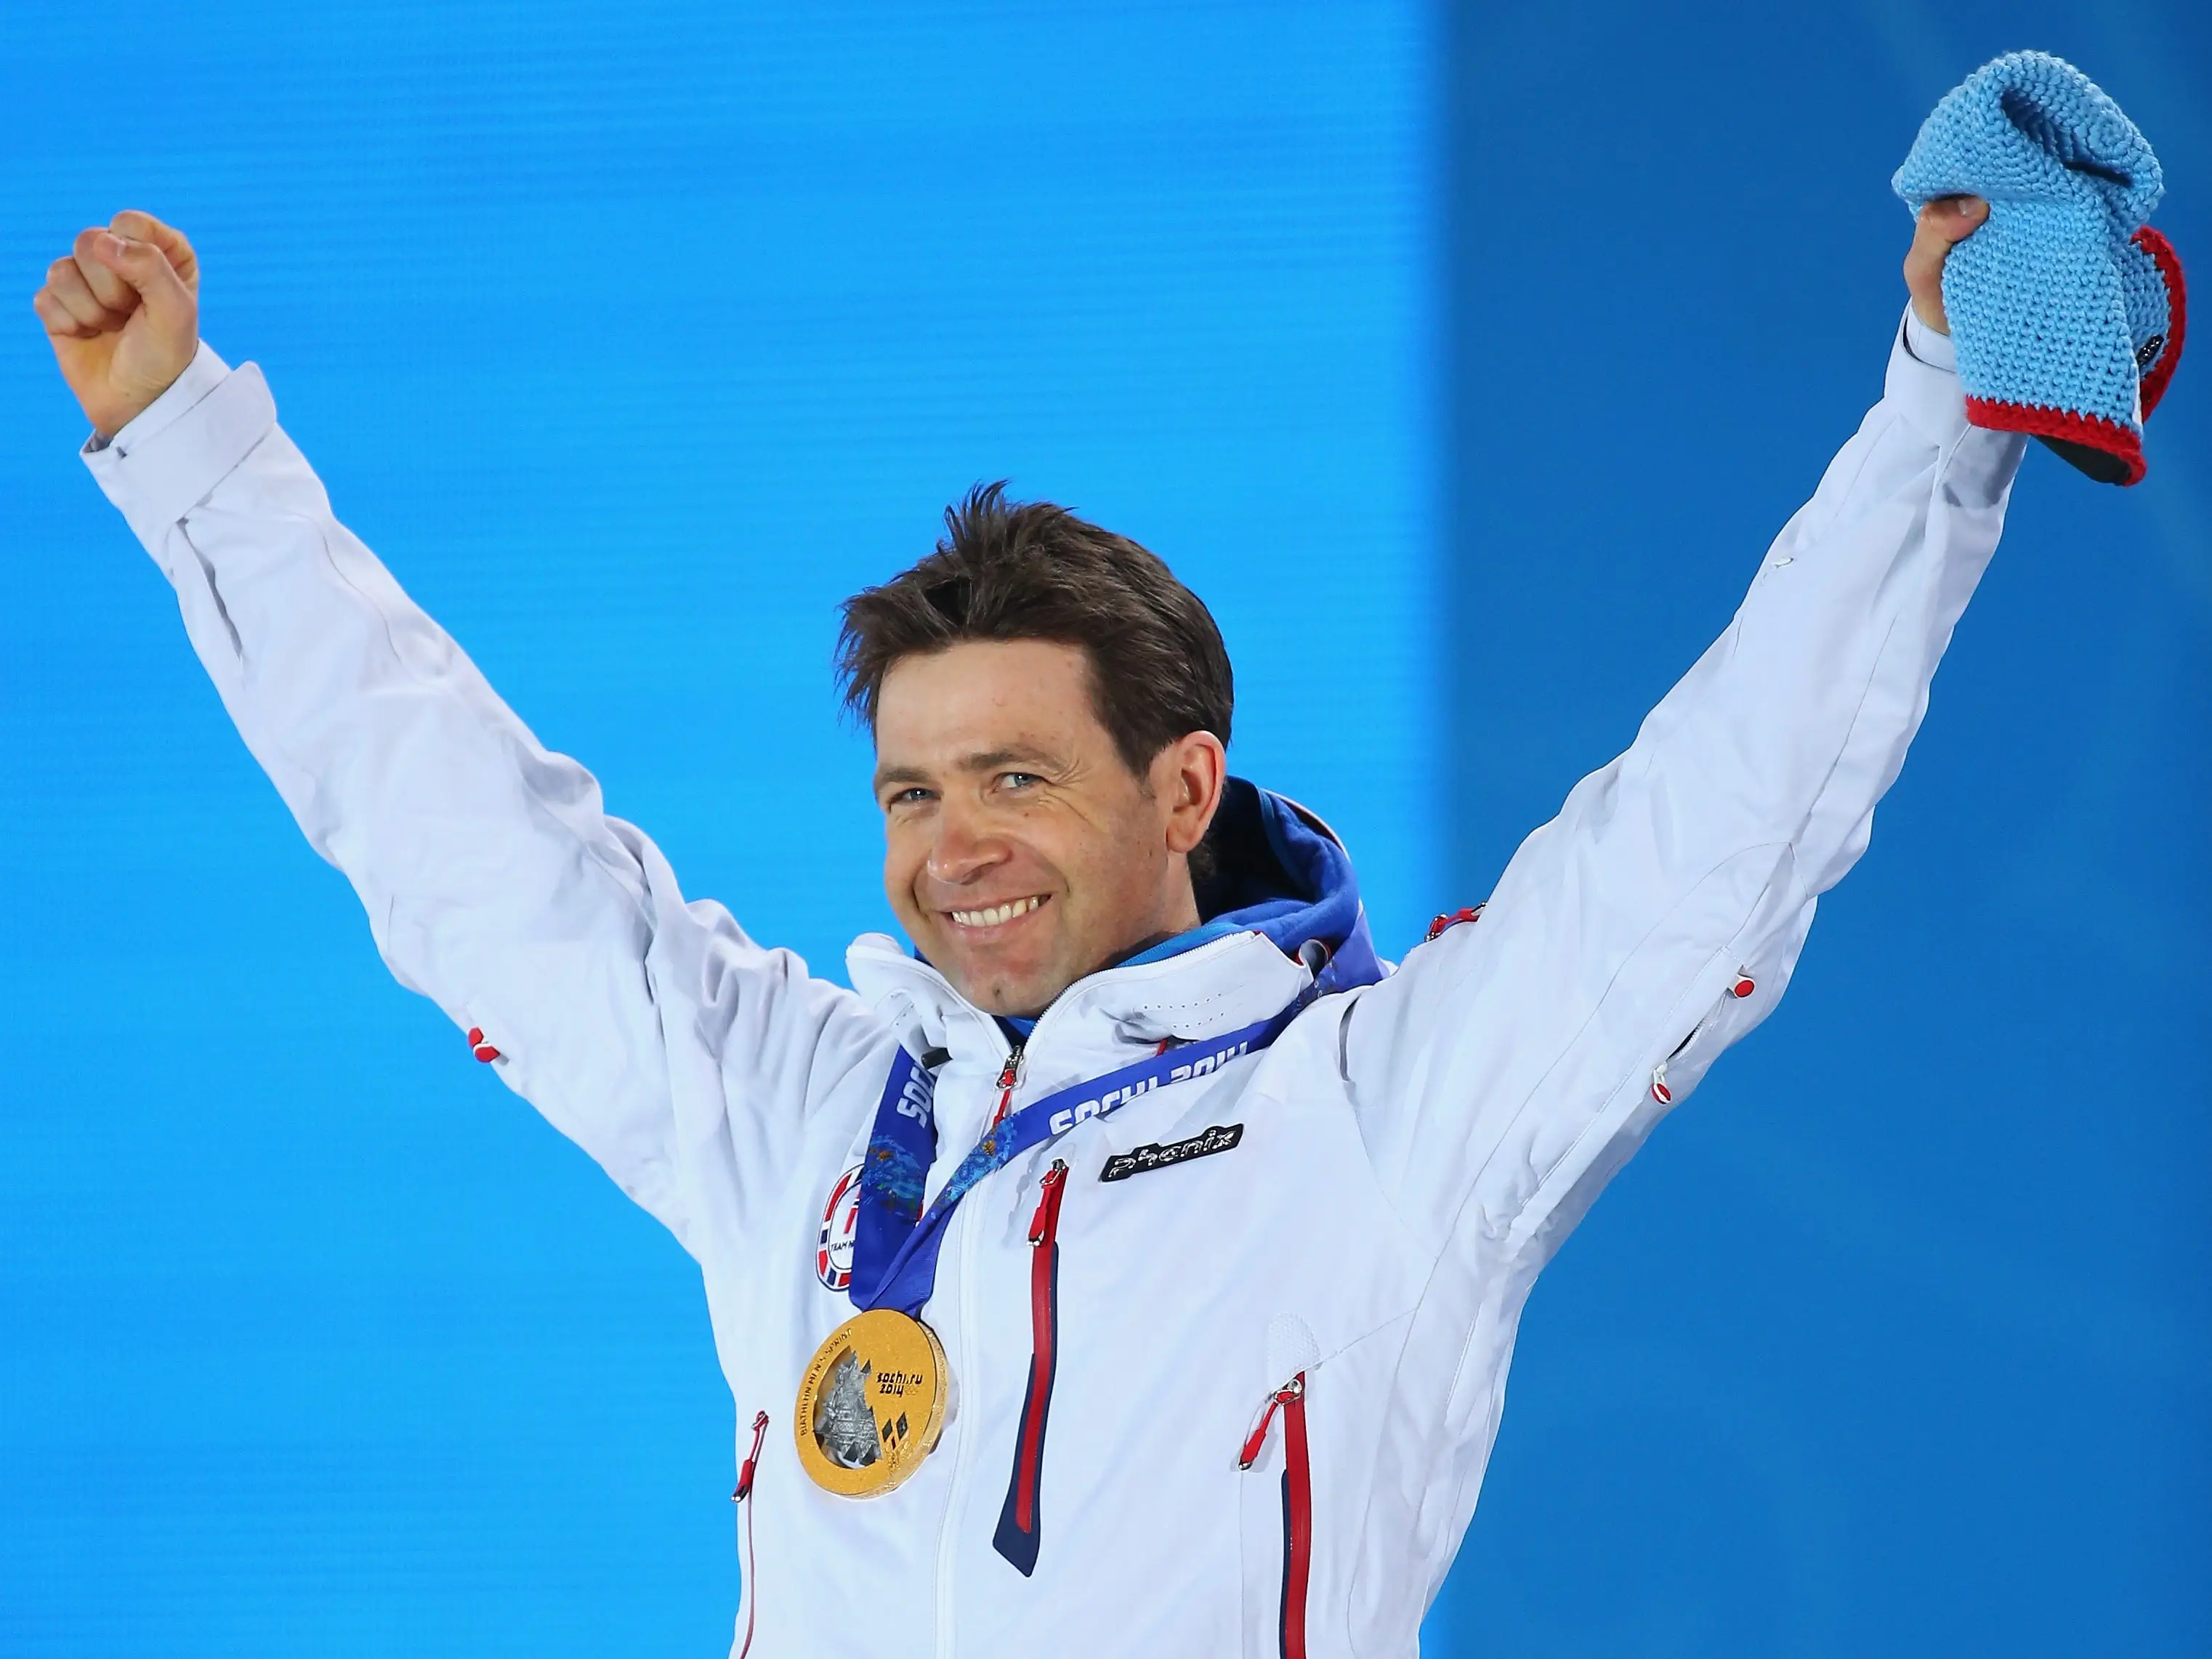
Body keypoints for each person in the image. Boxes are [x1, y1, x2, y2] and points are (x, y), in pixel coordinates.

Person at [36, 194, 2008, 1658]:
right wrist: (193, 450)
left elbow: (1707, 836)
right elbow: (461, 838)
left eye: (1016, 778)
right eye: (911, 790)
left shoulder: (1383, 1117)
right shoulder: (802, 1108)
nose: (953, 846)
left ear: (1180, 789)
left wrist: (1941, 415)